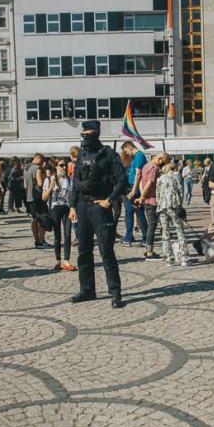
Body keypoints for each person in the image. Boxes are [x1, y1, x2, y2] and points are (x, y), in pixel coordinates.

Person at [68, 120, 128, 308]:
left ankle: (115, 293)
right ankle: (87, 290)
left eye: (89, 131)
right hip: (82, 207)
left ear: (97, 132)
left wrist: (109, 200)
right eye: (83, 131)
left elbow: (122, 180)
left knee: (106, 252)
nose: (85, 134)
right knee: (83, 252)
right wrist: (72, 206)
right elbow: (75, 180)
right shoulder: (82, 154)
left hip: (100, 208)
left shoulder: (109, 154)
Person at [43, 159, 76, 271]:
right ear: (56, 167)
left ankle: (66, 260)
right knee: (57, 236)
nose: (64, 167)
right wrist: (51, 186)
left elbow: (72, 196)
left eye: (65, 165)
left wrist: (73, 208)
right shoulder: (48, 179)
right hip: (54, 208)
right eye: (61, 165)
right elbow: (44, 197)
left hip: (66, 208)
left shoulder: (69, 179)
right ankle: (58, 261)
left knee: (68, 235)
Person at [156, 161, 190, 266]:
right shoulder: (176, 177)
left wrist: (160, 203)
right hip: (174, 206)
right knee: (180, 230)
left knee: (165, 233)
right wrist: (180, 205)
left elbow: (157, 194)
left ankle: (169, 258)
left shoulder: (159, 179)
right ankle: (184, 257)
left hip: (162, 207)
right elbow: (181, 191)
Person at [138, 152, 169, 261]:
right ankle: (149, 251)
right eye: (163, 163)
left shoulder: (146, 165)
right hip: (152, 200)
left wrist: (142, 196)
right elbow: (149, 183)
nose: (162, 166)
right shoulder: (154, 168)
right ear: (160, 159)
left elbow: (141, 182)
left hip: (147, 199)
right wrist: (142, 197)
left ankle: (149, 249)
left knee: (152, 225)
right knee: (152, 225)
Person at [121, 141, 148, 247]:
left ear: (129, 147)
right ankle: (144, 237)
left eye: (126, 151)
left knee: (131, 212)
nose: (127, 154)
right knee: (136, 212)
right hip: (132, 187)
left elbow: (138, 173)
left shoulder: (139, 156)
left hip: (134, 187)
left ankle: (130, 238)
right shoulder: (137, 156)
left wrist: (133, 190)